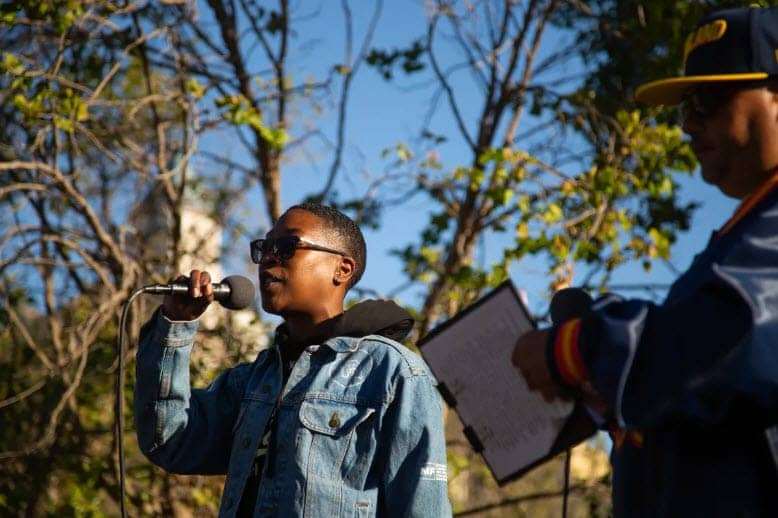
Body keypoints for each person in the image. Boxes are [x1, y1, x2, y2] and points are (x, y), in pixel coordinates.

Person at [512, 6, 778, 517]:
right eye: (684, 109)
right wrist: (611, 400)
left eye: (709, 100)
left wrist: (578, 347)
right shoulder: (742, 234)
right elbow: (708, 399)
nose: (688, 125)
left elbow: (730, 340)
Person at [134, 203, 451, 517]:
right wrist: (174, 325)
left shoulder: (392, 373)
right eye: (265, 247)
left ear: (342, 269)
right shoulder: (253, 380)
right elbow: (169, 442)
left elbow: (423, 509)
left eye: (287, 246)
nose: (269, 257)